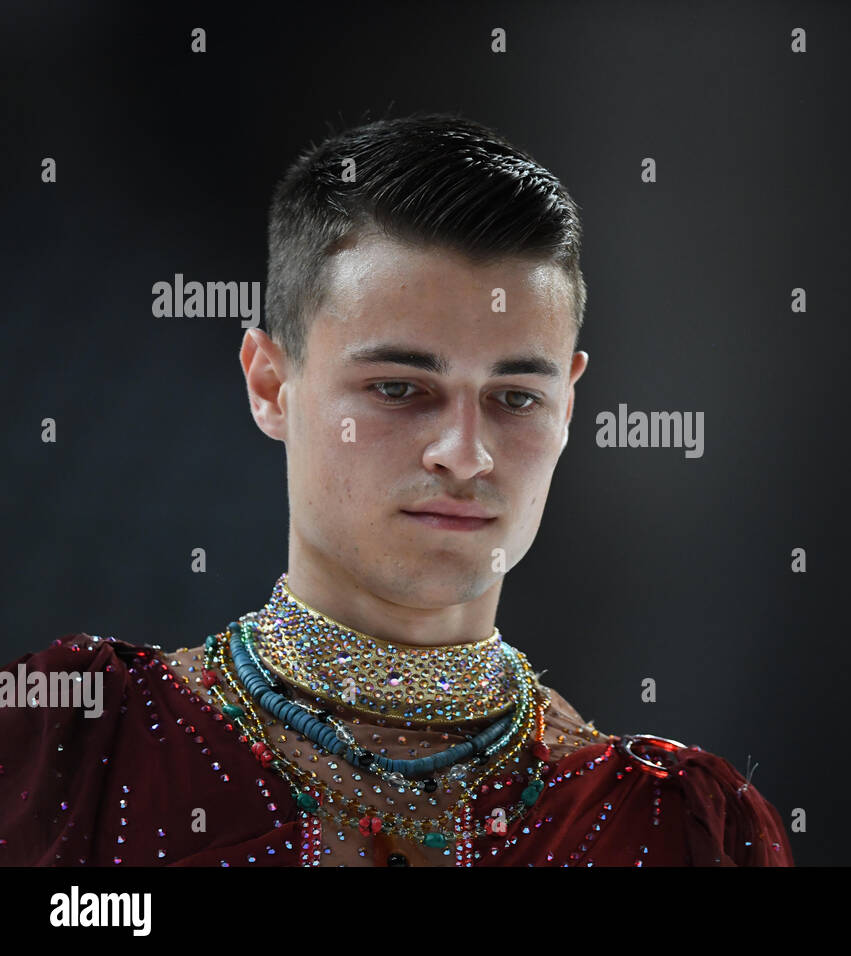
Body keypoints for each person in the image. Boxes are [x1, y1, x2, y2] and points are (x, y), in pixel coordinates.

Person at [0, 113, 793, 867]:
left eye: (515, 398)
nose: (465, 455)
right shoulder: (79, 748)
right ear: (271, 384)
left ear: (568, 410)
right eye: (399, 389)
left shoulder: (666, 825)